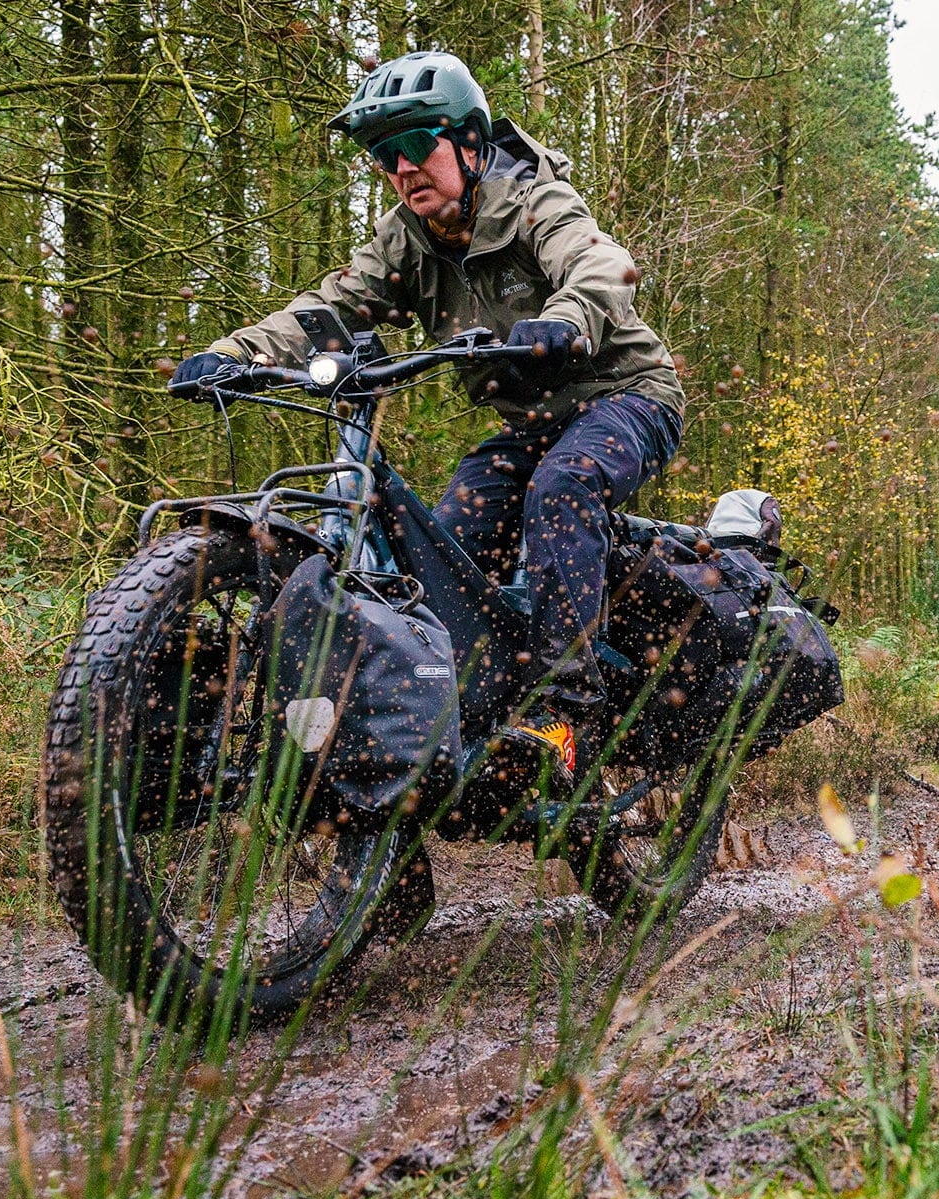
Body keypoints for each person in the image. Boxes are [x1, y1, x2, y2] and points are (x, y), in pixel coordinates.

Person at [167, 49, 684, 786]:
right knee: (448, 554)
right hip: (531, 426)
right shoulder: (404, 240)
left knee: (563, 487)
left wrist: (565, 318)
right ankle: (476, 717)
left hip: (626, 396)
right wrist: (233, 352)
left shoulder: (534, 199)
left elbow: (601, 265)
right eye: (384, 156)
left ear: (469, 143)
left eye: (417, 145)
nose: (402, 168)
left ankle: (565, 712)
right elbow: (333, 307)